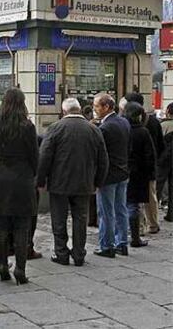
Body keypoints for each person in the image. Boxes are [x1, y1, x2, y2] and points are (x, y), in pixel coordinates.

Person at [38, 98, 108, 266]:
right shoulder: (94, 130)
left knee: (59, 219)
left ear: (64, 112)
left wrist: (41, 180)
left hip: (59, 183)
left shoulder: (55, 128)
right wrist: (98, 182)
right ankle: (79, 254)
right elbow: (104, 159)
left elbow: (44, 157)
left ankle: (61, 253)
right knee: (80, 219)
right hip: (84, 183)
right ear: (79, 110)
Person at [0, 88, 38, 284]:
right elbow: (34, 155)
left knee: (2, 224)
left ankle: (2, 264)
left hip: (2, 176)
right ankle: (20, 268)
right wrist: (33, 174)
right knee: (22, 225)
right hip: (23, 177)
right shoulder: (27, 126)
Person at [93, 93, 130, 258]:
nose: (95, 109)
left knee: (106, 212)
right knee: (121, 209)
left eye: (96, 106)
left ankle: (106, 245)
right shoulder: (124, 122)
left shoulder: (105, 128)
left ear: (106, 107)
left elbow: (100, 155)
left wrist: (97, 177)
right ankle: (122, 243)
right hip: (123, 172)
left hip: (109, 175)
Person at [125, 92, 165, 234]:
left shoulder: (126, 124)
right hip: (149, 166)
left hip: (134, 167)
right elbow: (161, 144)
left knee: (135, 199)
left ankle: (139, 227)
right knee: (150, 197)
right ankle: (153, 224)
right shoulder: (153, 121)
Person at [124, 102, 156, 251]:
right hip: (138, 174)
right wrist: (149, 173)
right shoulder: (142, 132)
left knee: (121, 205)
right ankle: (135, 237)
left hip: (121, 171)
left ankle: (122, 237)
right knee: (133, 205)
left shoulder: (122, 129)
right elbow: (150, 156)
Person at [159, 103, 173, 222]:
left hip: (163, 159)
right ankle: (171, 213)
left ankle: (151, 217)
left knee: (158, 186)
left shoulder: (163, 125)